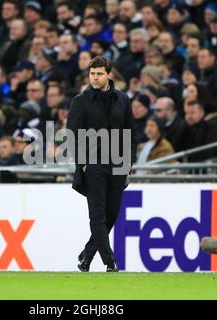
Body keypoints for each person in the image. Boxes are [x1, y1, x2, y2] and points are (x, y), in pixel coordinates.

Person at [66, 56, 136, 272]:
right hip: (94, 164)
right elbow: (72, 135)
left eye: (99, 74)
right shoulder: (81, 100)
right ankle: (110, 262)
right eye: (92, 74)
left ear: (108, 75)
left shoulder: (122, 100)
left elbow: (130, 134)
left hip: (117, 163)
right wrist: (84, 163)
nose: (95, 78)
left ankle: (87, 255)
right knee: (97, 214)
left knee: (111, 214)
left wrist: (128, 163)